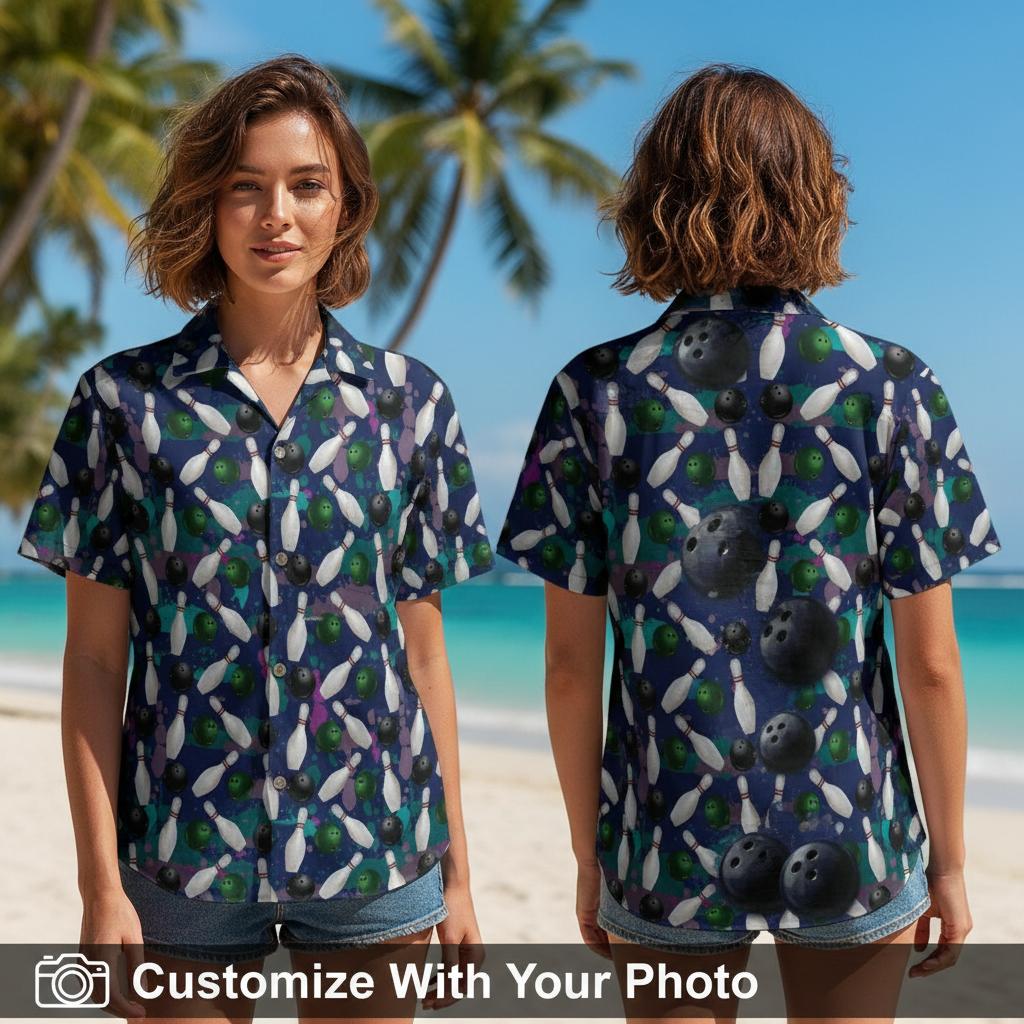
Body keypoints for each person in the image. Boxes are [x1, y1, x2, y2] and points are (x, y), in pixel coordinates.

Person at [495, 63, 1001, 1023]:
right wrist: (950, 862)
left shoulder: (595, 391)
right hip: (852, 819)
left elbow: (570, 667)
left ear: (656, 201)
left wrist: (591, 855)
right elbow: (930, 664)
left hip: (667, 822)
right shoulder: (889, 385)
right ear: (815, 197)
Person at [16, 54, 493, 1022]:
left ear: (345, 205)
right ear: (209, 204)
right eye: (247, 187)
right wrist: (98, 881)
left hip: (375, 850)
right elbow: (95, 665)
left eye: (306, 185)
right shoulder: (121, 404)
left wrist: (458, 873)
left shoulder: (408, 404)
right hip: (180, 862)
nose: (277, 215)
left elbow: (425, 654)